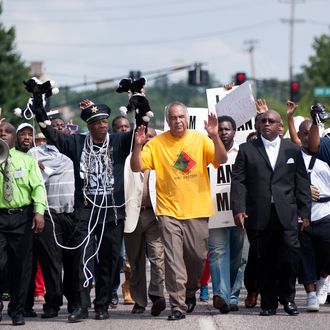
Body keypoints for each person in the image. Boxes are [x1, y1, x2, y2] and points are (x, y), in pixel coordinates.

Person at [35, 99, 134, 322]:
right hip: (85, 212)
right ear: (88, 126)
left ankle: (102, 304)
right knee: (82, 259)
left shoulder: (118, 142)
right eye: (96, 122)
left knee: (109, 261)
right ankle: (80, 306)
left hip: (112, 212)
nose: (101, 126)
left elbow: (141, 131)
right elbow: (51, 134)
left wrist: (139, 101)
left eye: (104, 121)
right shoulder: (77, 144)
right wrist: (40, 109)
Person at [131, 101, 227, 321]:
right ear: (167, 120)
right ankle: (178, 305)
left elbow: (220, 160)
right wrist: (138, 146)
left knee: (196, 258)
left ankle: (190, 291)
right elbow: (137, 167)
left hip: (197, 210)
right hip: (168, 211)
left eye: (181, 116)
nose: (177, 121)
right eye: (173, 117)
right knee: (174, 260)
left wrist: (214, 135)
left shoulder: (200, 140)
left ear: (187, 117)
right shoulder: (156, 144)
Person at [231, 109, 311, 316]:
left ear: (279, 126)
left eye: (271, 121)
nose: (266, 123)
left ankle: (288, 299)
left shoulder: (292, 149)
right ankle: (268, 302)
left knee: (290, 257)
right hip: (259, 214)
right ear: (258, 125)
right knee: (263, 259)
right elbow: (239, 182)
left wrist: (305, 213)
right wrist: (239, 209)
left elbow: (301, 182)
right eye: (263, 121)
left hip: (288, 214)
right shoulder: (247, 149)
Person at [28, 116, 76, 318]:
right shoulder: (34, 153)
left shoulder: (75, 150)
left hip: (72, 214)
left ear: (65, 129)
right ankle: (53, 302)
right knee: (51, 262)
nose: (56, 129)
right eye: (52, 127)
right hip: (47, 214)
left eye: (60, 126)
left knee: (72, 262)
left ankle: (74, 302)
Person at [0, 121, 46, 326]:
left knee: (21, 266)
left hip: (21, 217)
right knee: (1, 265)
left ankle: (17, 309)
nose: (3, 135)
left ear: (14, 137)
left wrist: (39, 212)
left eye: (7, 132)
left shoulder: (26, 160)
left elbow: (38, 186)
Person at [124, 127, 165, 316]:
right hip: (132, 215)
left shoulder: (162, 159)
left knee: (158, 257)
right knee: (135, 261)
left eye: (151, 137)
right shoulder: (128, 160)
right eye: (144, 136)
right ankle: (139, 301)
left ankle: (157, 296)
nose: (147, 139)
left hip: (154, 215)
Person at [208, 115, 245, 314]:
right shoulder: (206, 150)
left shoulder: (244, 151)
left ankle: (232, 295)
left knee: (239, 256)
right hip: (215, 211)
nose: (223, 132)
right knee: (218, 253)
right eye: (220, 129)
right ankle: (221, 295)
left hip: (239, 212)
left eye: (227, 129)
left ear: (234, 132)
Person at [294, 119, 330, 311]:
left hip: (326, 213)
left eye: (312, 133)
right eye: (305, 134)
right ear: (299, 136)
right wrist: (303, 188)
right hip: (302, 214)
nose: (309, 137)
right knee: (305, 255)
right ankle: (311, 294)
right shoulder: (291, 156)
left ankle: (323, 278)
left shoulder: (327, 155)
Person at [110, 114, 134, 307]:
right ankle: (112, 290)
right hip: (114, 211)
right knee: (116, 255)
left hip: (133, 210)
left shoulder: (137, 150)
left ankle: (129, 287)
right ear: (112, 130)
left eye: (126, 127)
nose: (123, 130)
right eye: (119, 127)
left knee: (129, 256)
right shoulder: (109, 152)